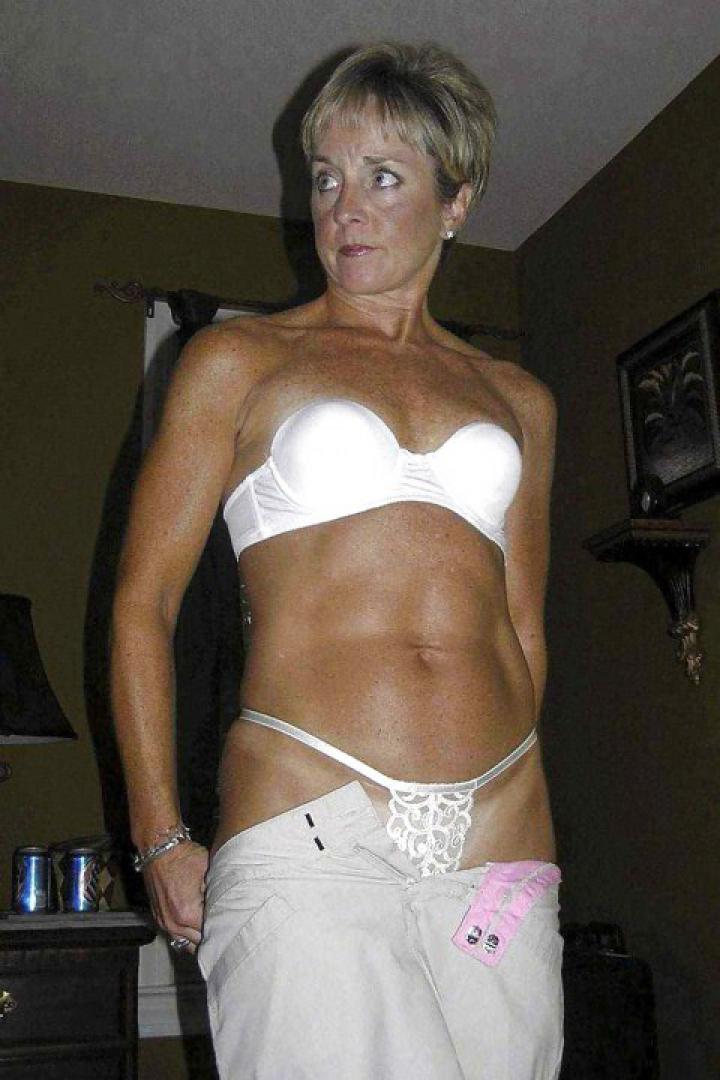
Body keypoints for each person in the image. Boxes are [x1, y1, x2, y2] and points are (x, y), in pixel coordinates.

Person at [111, 41, 562, 1080]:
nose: (342, 209)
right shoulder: (237, 360)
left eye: (382, 178)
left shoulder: (519, 400)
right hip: (310, 825)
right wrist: (159, 835)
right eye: (325, 179)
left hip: (502, 837)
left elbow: (523, 625)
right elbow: (143, 605)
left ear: (456, 202)